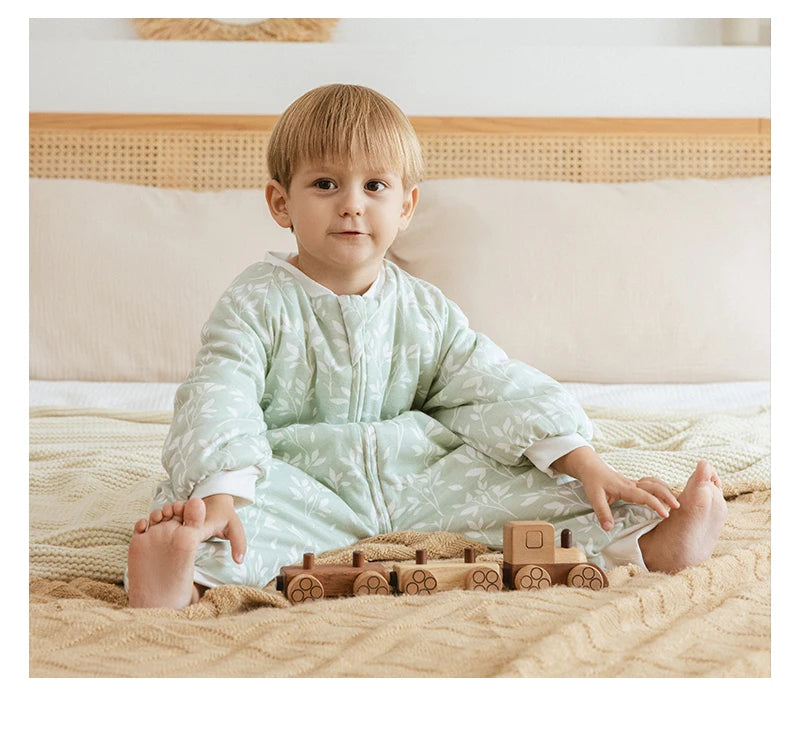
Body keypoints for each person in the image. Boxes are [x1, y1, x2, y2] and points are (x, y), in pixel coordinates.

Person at [127, 84, 727, 609]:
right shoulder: (256, 301)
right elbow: (220, 390)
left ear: (406, 206)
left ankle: (650, 542)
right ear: (281, 201)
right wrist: (221, 491)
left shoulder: (423, 307)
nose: (352, 202)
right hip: (301, 477)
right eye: (326, 183)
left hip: (420, 477)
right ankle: (175, 577)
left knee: (546, 496)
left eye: (375, 185)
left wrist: (581, 459)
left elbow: (487, 380)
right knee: (224, 522)